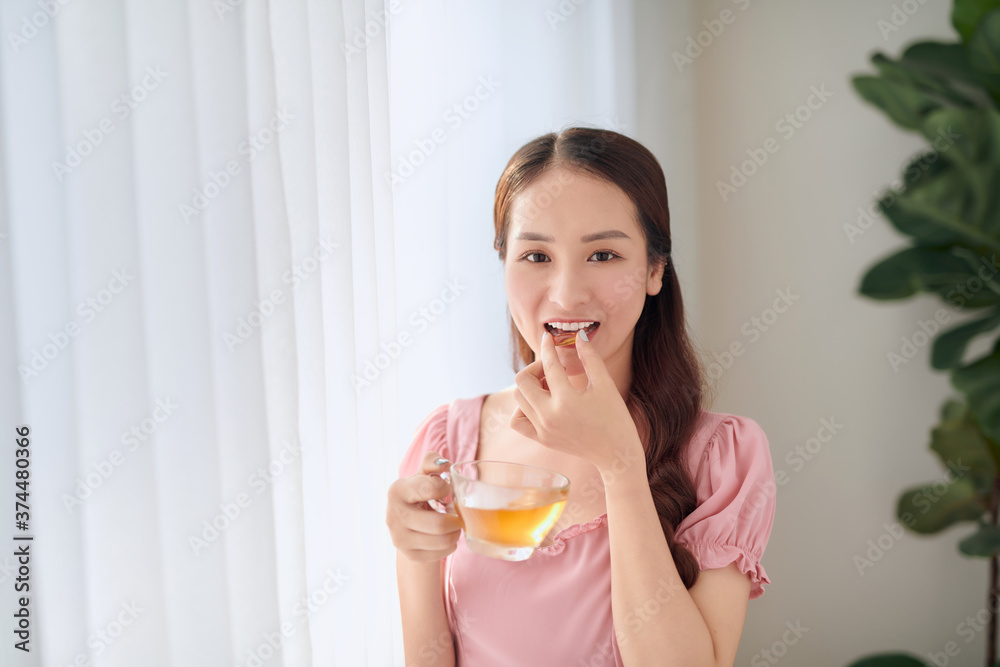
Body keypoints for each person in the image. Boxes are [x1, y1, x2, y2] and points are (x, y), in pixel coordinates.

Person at [385, 128, 776, 666]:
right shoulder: (449, 440)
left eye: (604, 255)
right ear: (504, 265)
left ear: (655, 270)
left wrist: (619, 464)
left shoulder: (720, 456)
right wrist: (415, 557)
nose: (567, 294)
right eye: (536, 256)